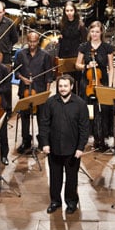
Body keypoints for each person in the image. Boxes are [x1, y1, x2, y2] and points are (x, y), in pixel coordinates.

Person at [39, 74, 90, 214]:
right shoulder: (50, 102)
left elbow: (85, 128)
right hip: (54, 148)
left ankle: (71, 202)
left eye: (65, 86)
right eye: (60, 86)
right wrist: (44, 143)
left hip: (73, 150)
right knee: (55, 177)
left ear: (71, 87)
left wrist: (80, 147)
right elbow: (44, 124)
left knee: (71, 178)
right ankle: (55, 201)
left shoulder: (80, 104)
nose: (62, 89)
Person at [75, 21, 115, 151]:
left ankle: (101, 138)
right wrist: (86, 66)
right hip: (87, 83)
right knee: (89, 110)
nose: (95, 34)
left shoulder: (107, 47)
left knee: (102, 110)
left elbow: (111, 67)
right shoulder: (83, 47)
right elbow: (77, 65)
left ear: (101, 32)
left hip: (102, 81)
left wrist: (111, 84)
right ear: (89, 33)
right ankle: (88, 136)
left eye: (97, 32)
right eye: (92, 31)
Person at [14, 31, 53, 154]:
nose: (32, 44)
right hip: (25, 91)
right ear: (27, 40)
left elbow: (49, 76)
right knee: (25, 117)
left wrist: (46, 94)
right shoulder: (20, 54)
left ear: (38, 41)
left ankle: (42, 141)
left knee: (42, 118)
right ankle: (26, 141)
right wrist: (22, 78)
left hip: (39, 90)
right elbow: (16, 71)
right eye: (30, 41)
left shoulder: (45, 55)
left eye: (34, 41)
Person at [57, 0, 87, 94]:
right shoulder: (61, 24)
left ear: (75, 11)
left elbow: (84, 42)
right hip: (64, 53)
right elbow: (60, 37)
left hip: (76, 54)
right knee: (65, 78)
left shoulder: (80, 25)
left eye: (71, 10)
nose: (69, 13)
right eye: (67, 11)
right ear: (64, 12)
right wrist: (57, 39)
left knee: (75, 79)